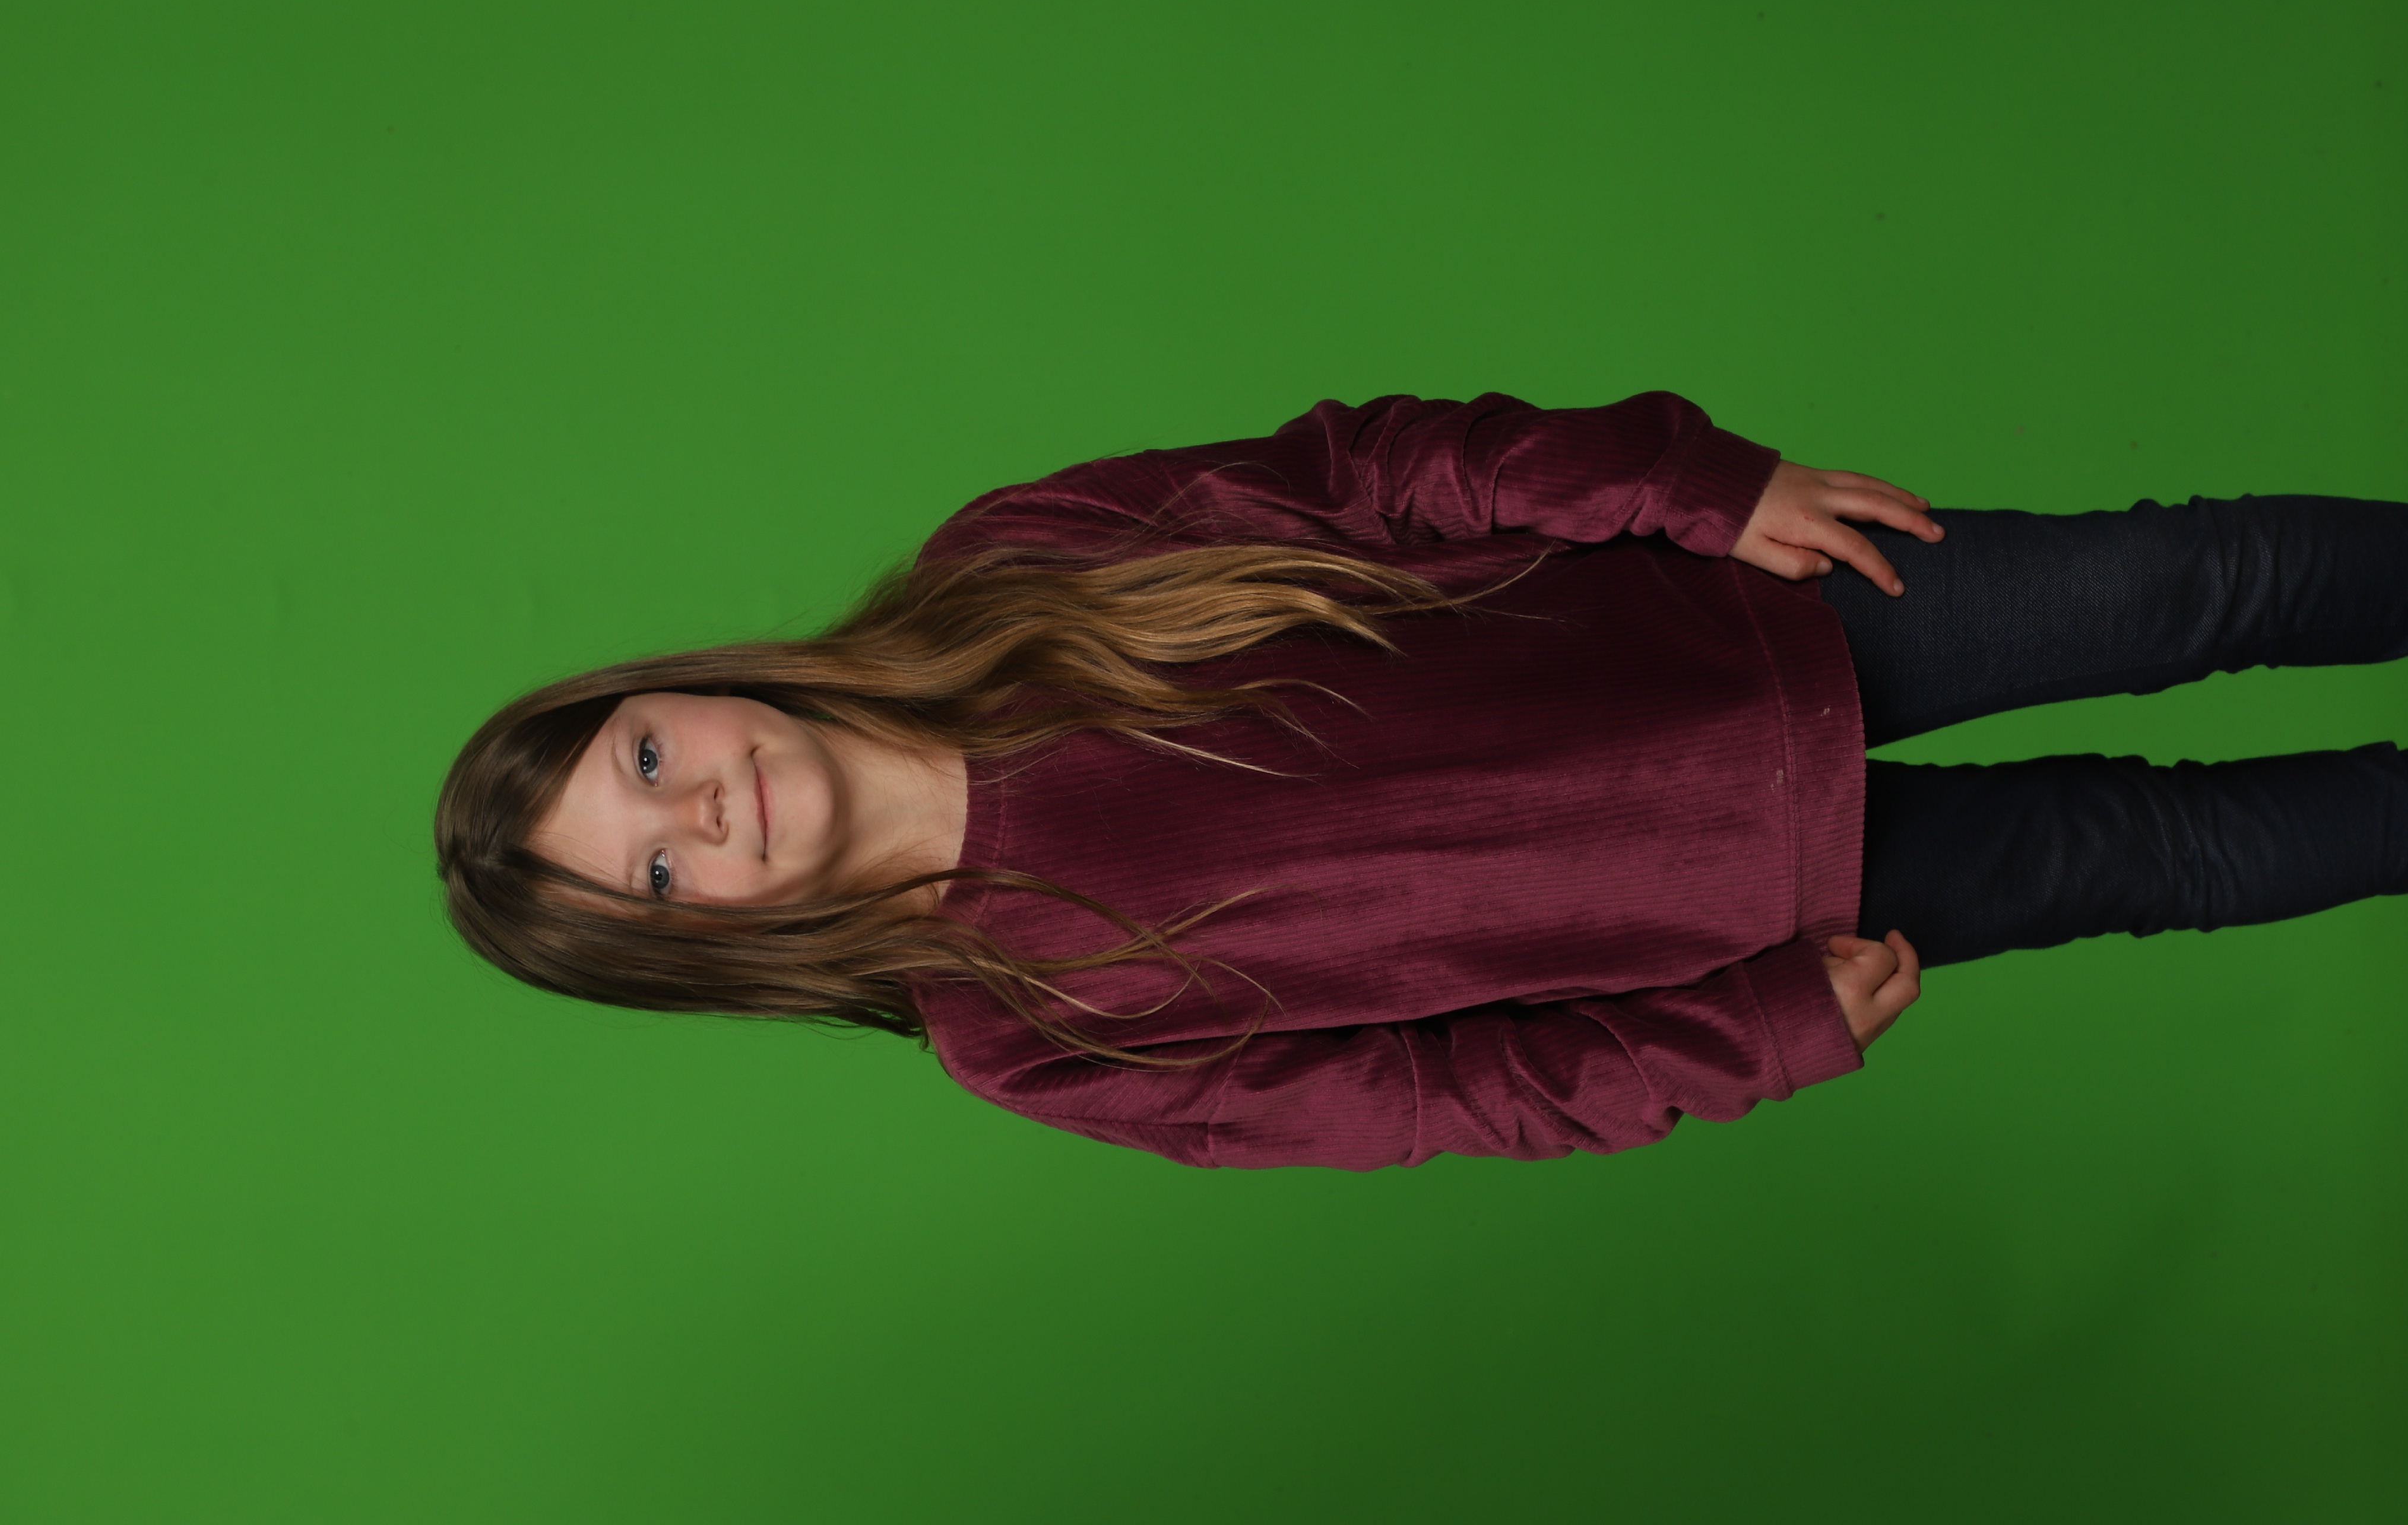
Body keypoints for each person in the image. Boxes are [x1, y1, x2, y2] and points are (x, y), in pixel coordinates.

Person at [435, 392, 2408, 1169]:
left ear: (679, 693)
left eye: (648, 761)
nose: (700, 813)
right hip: (1762, 903)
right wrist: (1747, 1043)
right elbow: (1425, 1098)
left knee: (2189, 579)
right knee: (2161, 848)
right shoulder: (1022, 1032)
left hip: (1742, 622)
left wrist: (1694, 485)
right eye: (656, 873)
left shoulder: (1005, 567)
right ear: (705, 947)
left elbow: (1373, 472)